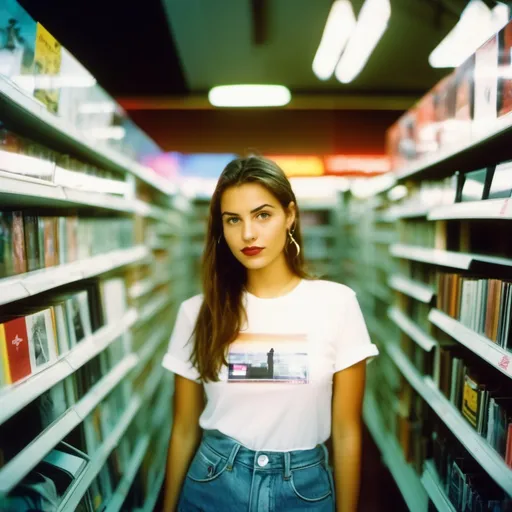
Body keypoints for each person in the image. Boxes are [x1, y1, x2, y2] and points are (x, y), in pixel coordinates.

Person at [162, 156, 379, 512]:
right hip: (213, 483)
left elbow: (346, 431)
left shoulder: (337, 304)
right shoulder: (197, 312)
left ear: (290, 216)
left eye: (263, 215)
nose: (248, 233)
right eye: (233, 219)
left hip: (304, 490)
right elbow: (184, 429)